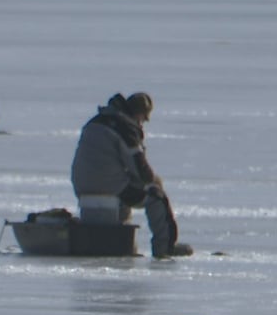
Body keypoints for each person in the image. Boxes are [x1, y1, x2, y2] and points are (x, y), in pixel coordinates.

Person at [71, 92, 192, 259]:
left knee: (125, 193)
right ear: (139, 114)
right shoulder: (125, 128)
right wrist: (155, 181)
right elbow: (140, 169)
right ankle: (165, 247)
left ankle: (114, 240)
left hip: (81, 184)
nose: (143, 123)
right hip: (109, 185)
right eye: (144, 119)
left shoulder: (97, 120)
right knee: (156, 197)